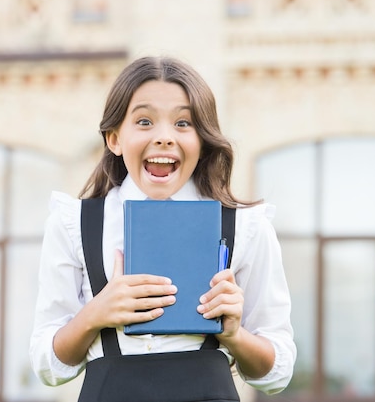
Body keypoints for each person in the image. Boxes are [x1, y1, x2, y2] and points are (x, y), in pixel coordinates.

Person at [29, 56, 296, 401]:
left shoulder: (245, 227)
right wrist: (95, 314)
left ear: (202, 141)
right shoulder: (73, 224)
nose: (165, 137)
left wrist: (234, 333)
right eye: (144, 121)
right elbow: (47, 365)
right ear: (114, 138)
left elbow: (277, 372)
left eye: (184, 123)